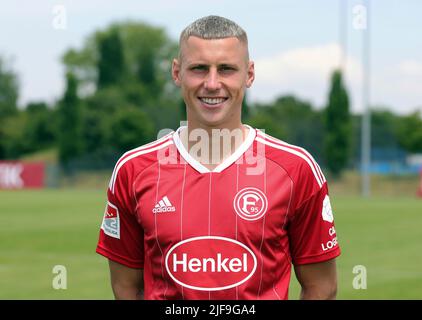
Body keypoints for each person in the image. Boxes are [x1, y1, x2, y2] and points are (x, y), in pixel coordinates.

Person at [96, 15, 341, 300]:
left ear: (249, 74)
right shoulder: (133, 170)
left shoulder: (296, 168)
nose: (212, 83)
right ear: (177, 72)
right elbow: (126, 287)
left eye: (226, 69)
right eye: (199, 69)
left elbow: (321, 287)